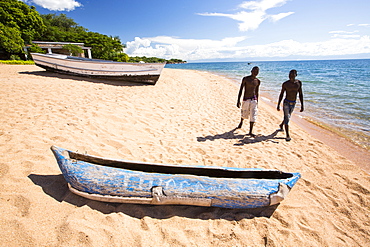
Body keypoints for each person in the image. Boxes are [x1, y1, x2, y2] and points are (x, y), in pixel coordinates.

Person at [277, 69, 304, 141]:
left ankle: (281, 125)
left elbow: (300, 94)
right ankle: (287, 135)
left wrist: (302, 105)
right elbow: (281, 94)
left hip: (293, 103)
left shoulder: (298, 83)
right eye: (290, 75)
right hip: (286, 102)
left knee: (288, 116)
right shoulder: (285, 84)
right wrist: (278, 104)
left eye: (292, 75)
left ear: (296, 75)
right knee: (287, 118)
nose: (291, 76)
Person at [236, 66, 260, 137]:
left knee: (253, 115)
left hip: (254, 100)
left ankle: (250, 131)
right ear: (251, 71)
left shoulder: (258, 81)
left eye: (257, 72)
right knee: (244, 112)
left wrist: (257, 101)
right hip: (246, 99)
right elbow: (241, 89)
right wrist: (238, 100)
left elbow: (257, 92)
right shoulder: (246, 79)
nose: (255, 73)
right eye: (254, 71)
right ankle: (241, 121)